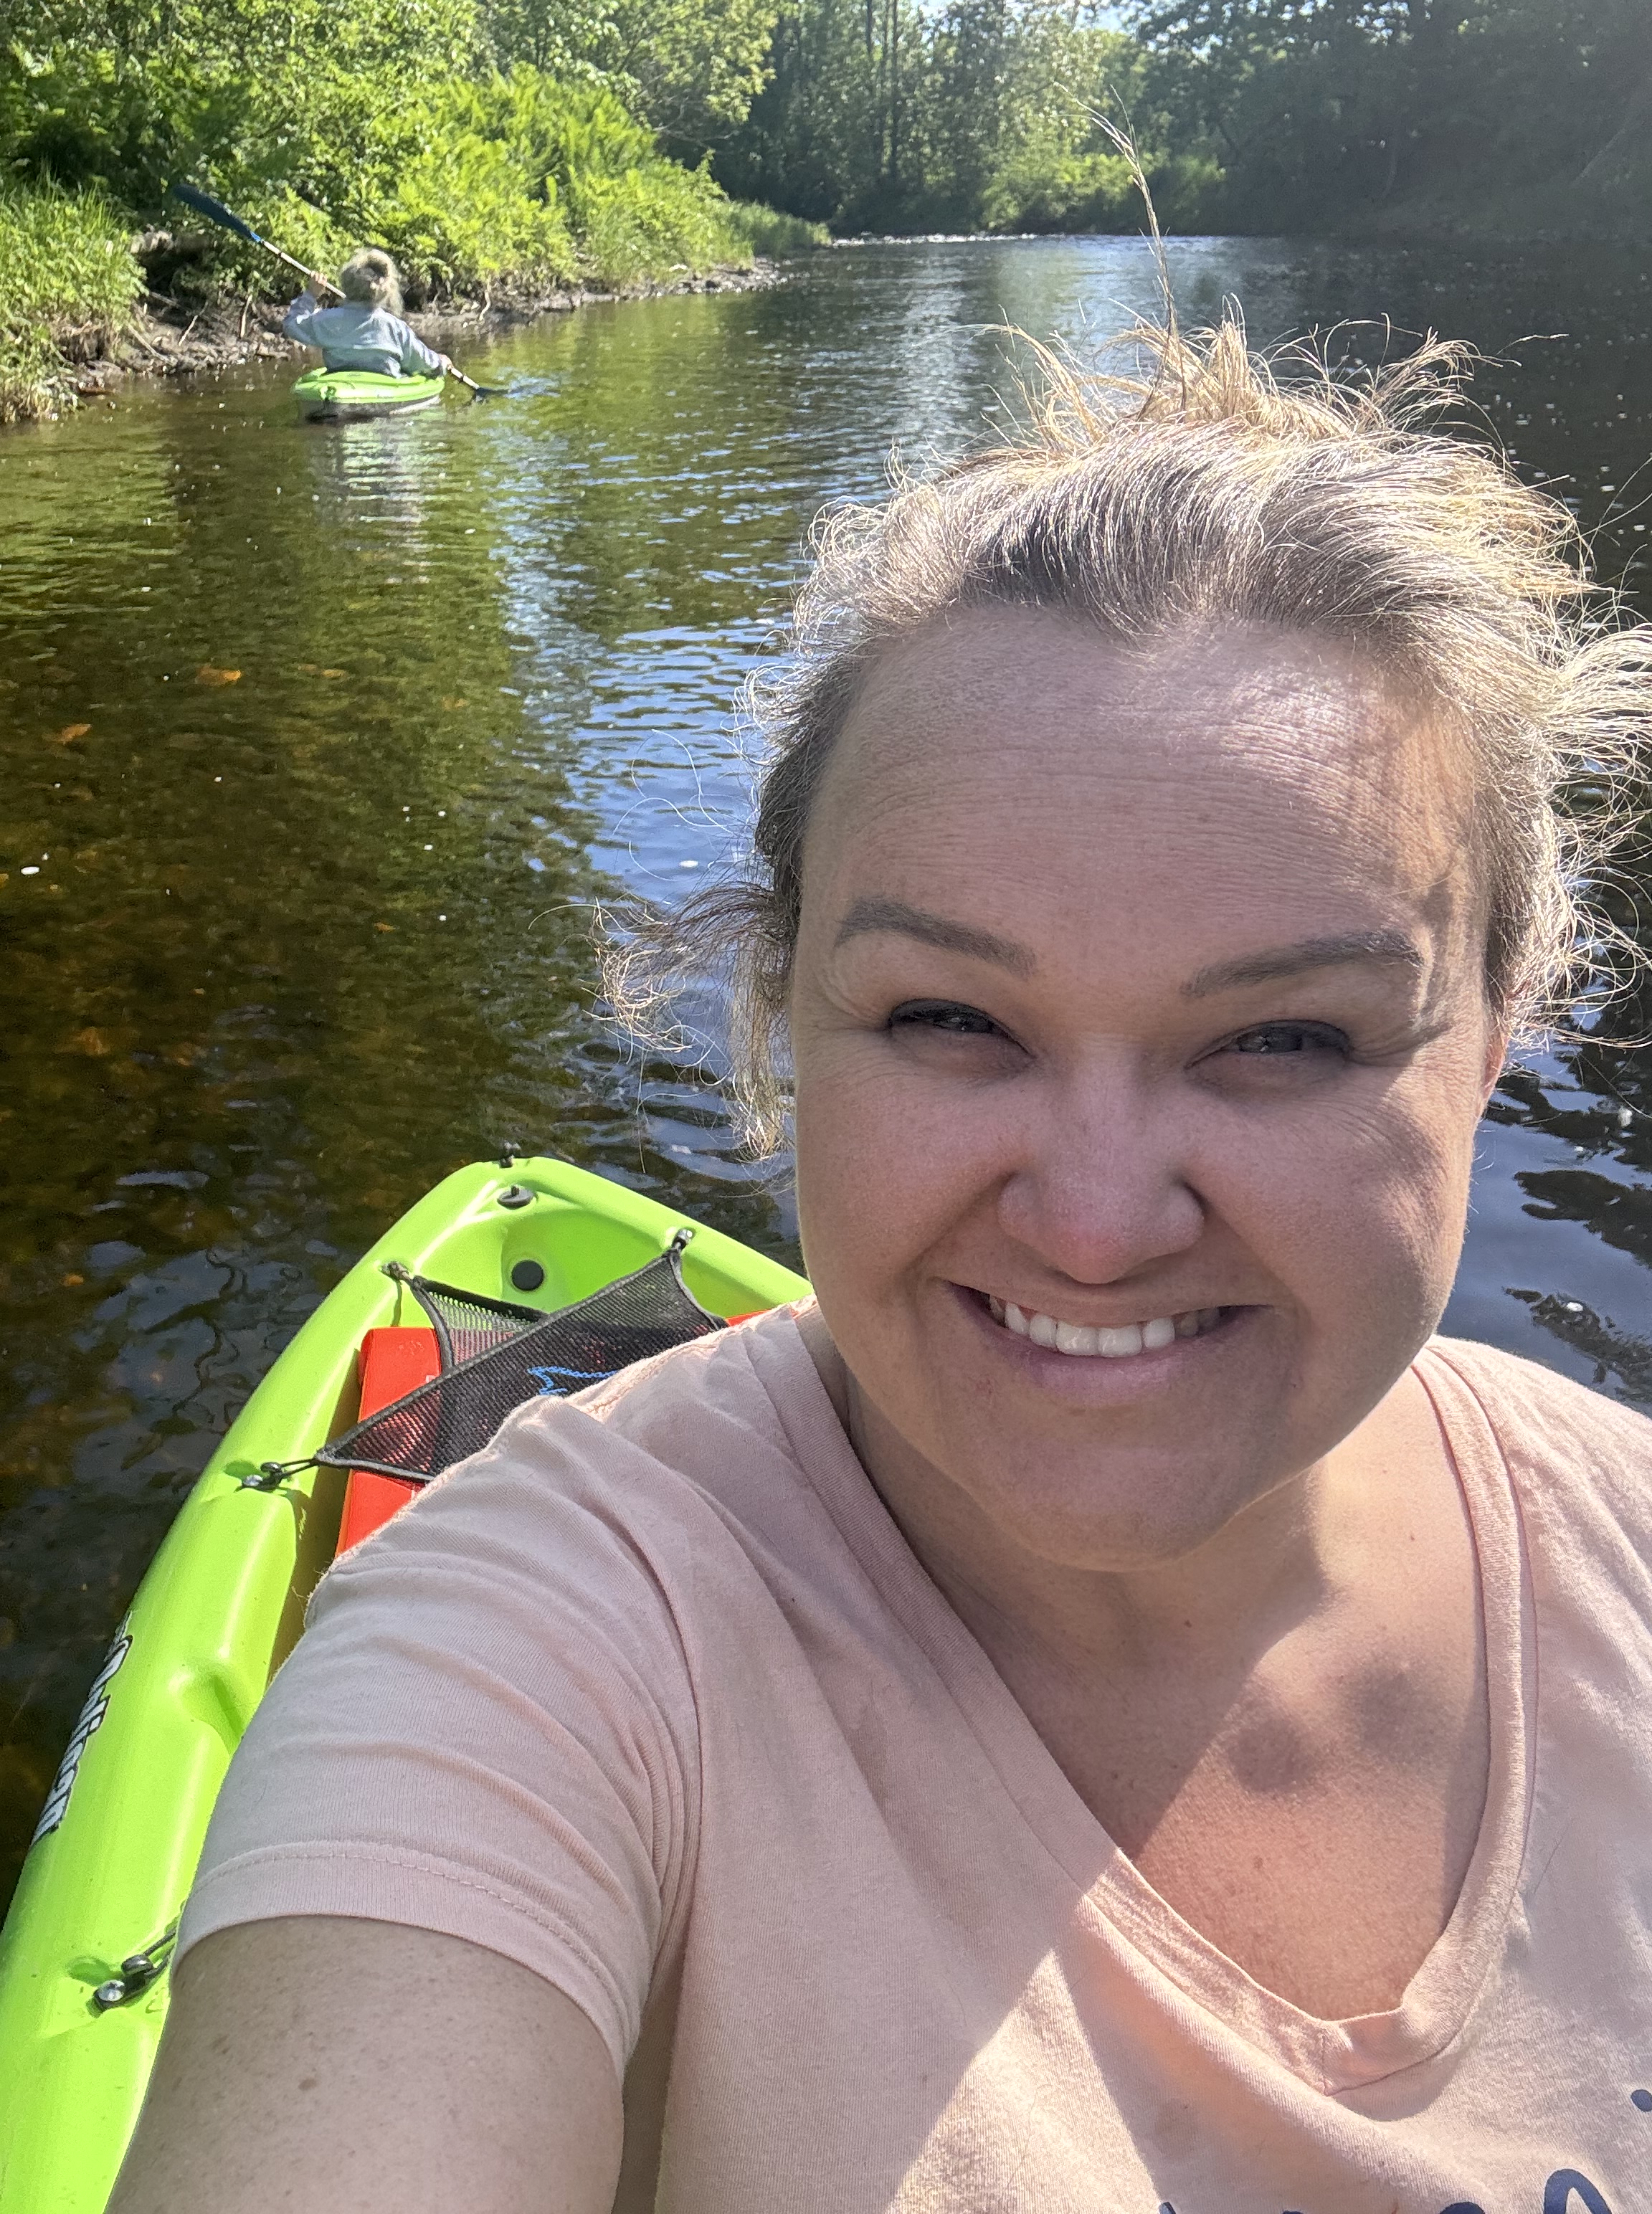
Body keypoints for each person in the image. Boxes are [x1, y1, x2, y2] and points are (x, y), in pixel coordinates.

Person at [110, 318, 1652, 2214]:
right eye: (947, 1016)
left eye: (1289, 1039)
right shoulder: (543, 1650)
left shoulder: (1630, 1555)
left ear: (1501, 1034)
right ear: (782, 1016)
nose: (1096, 1225)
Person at [283, 246, 452, 379]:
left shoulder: (328, 320)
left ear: (347, 285)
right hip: (384, 397)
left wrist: (311, 295)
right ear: (385, 291)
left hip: (341, 389)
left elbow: (292, 324)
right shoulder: (396, 328)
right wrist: (441, 363)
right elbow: (424, 363)